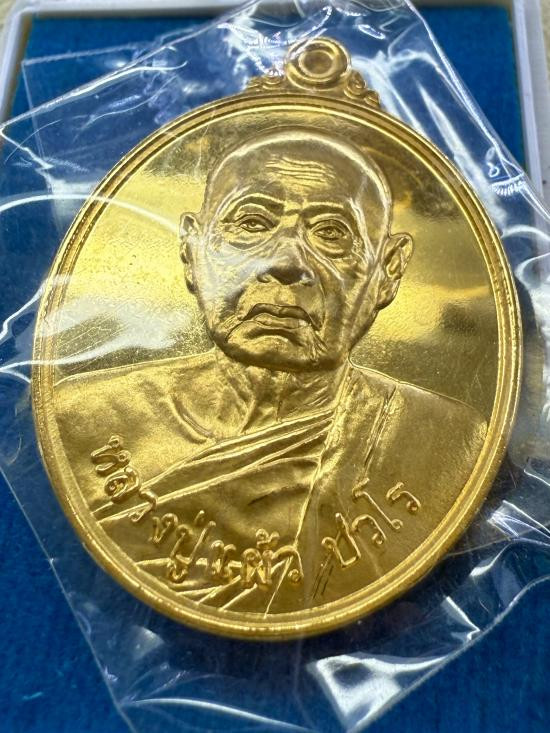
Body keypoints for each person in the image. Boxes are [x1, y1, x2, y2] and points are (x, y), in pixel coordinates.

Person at [55, 128, 486, 612]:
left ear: (388, 270)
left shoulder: (443, 438)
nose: (285, 261)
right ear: (192, 251)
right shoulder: (84, 413)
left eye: (330, 233)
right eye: (252, 222)